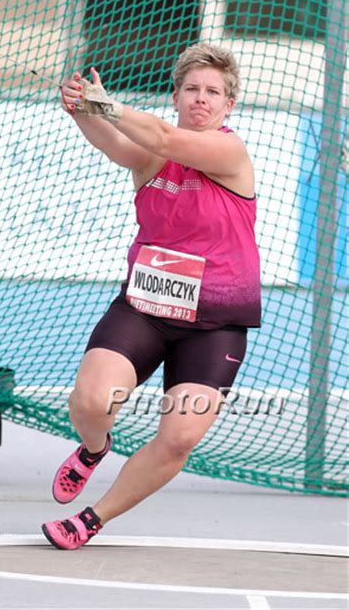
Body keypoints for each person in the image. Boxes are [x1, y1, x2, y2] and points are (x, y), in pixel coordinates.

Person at [41, 43, 261, 550]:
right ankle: (93, 450)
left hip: (216, 320)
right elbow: (119, 146)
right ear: (177, 94)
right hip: (146, 306)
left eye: (212, 92)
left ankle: (92, 519)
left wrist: (106, 104)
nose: (200, 99)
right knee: (92, 402)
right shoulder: (152, 156)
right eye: (191, 89)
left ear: (229, 105)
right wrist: (79, 107)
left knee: (180, 437)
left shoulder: (229, 152)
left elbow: (160, 134)